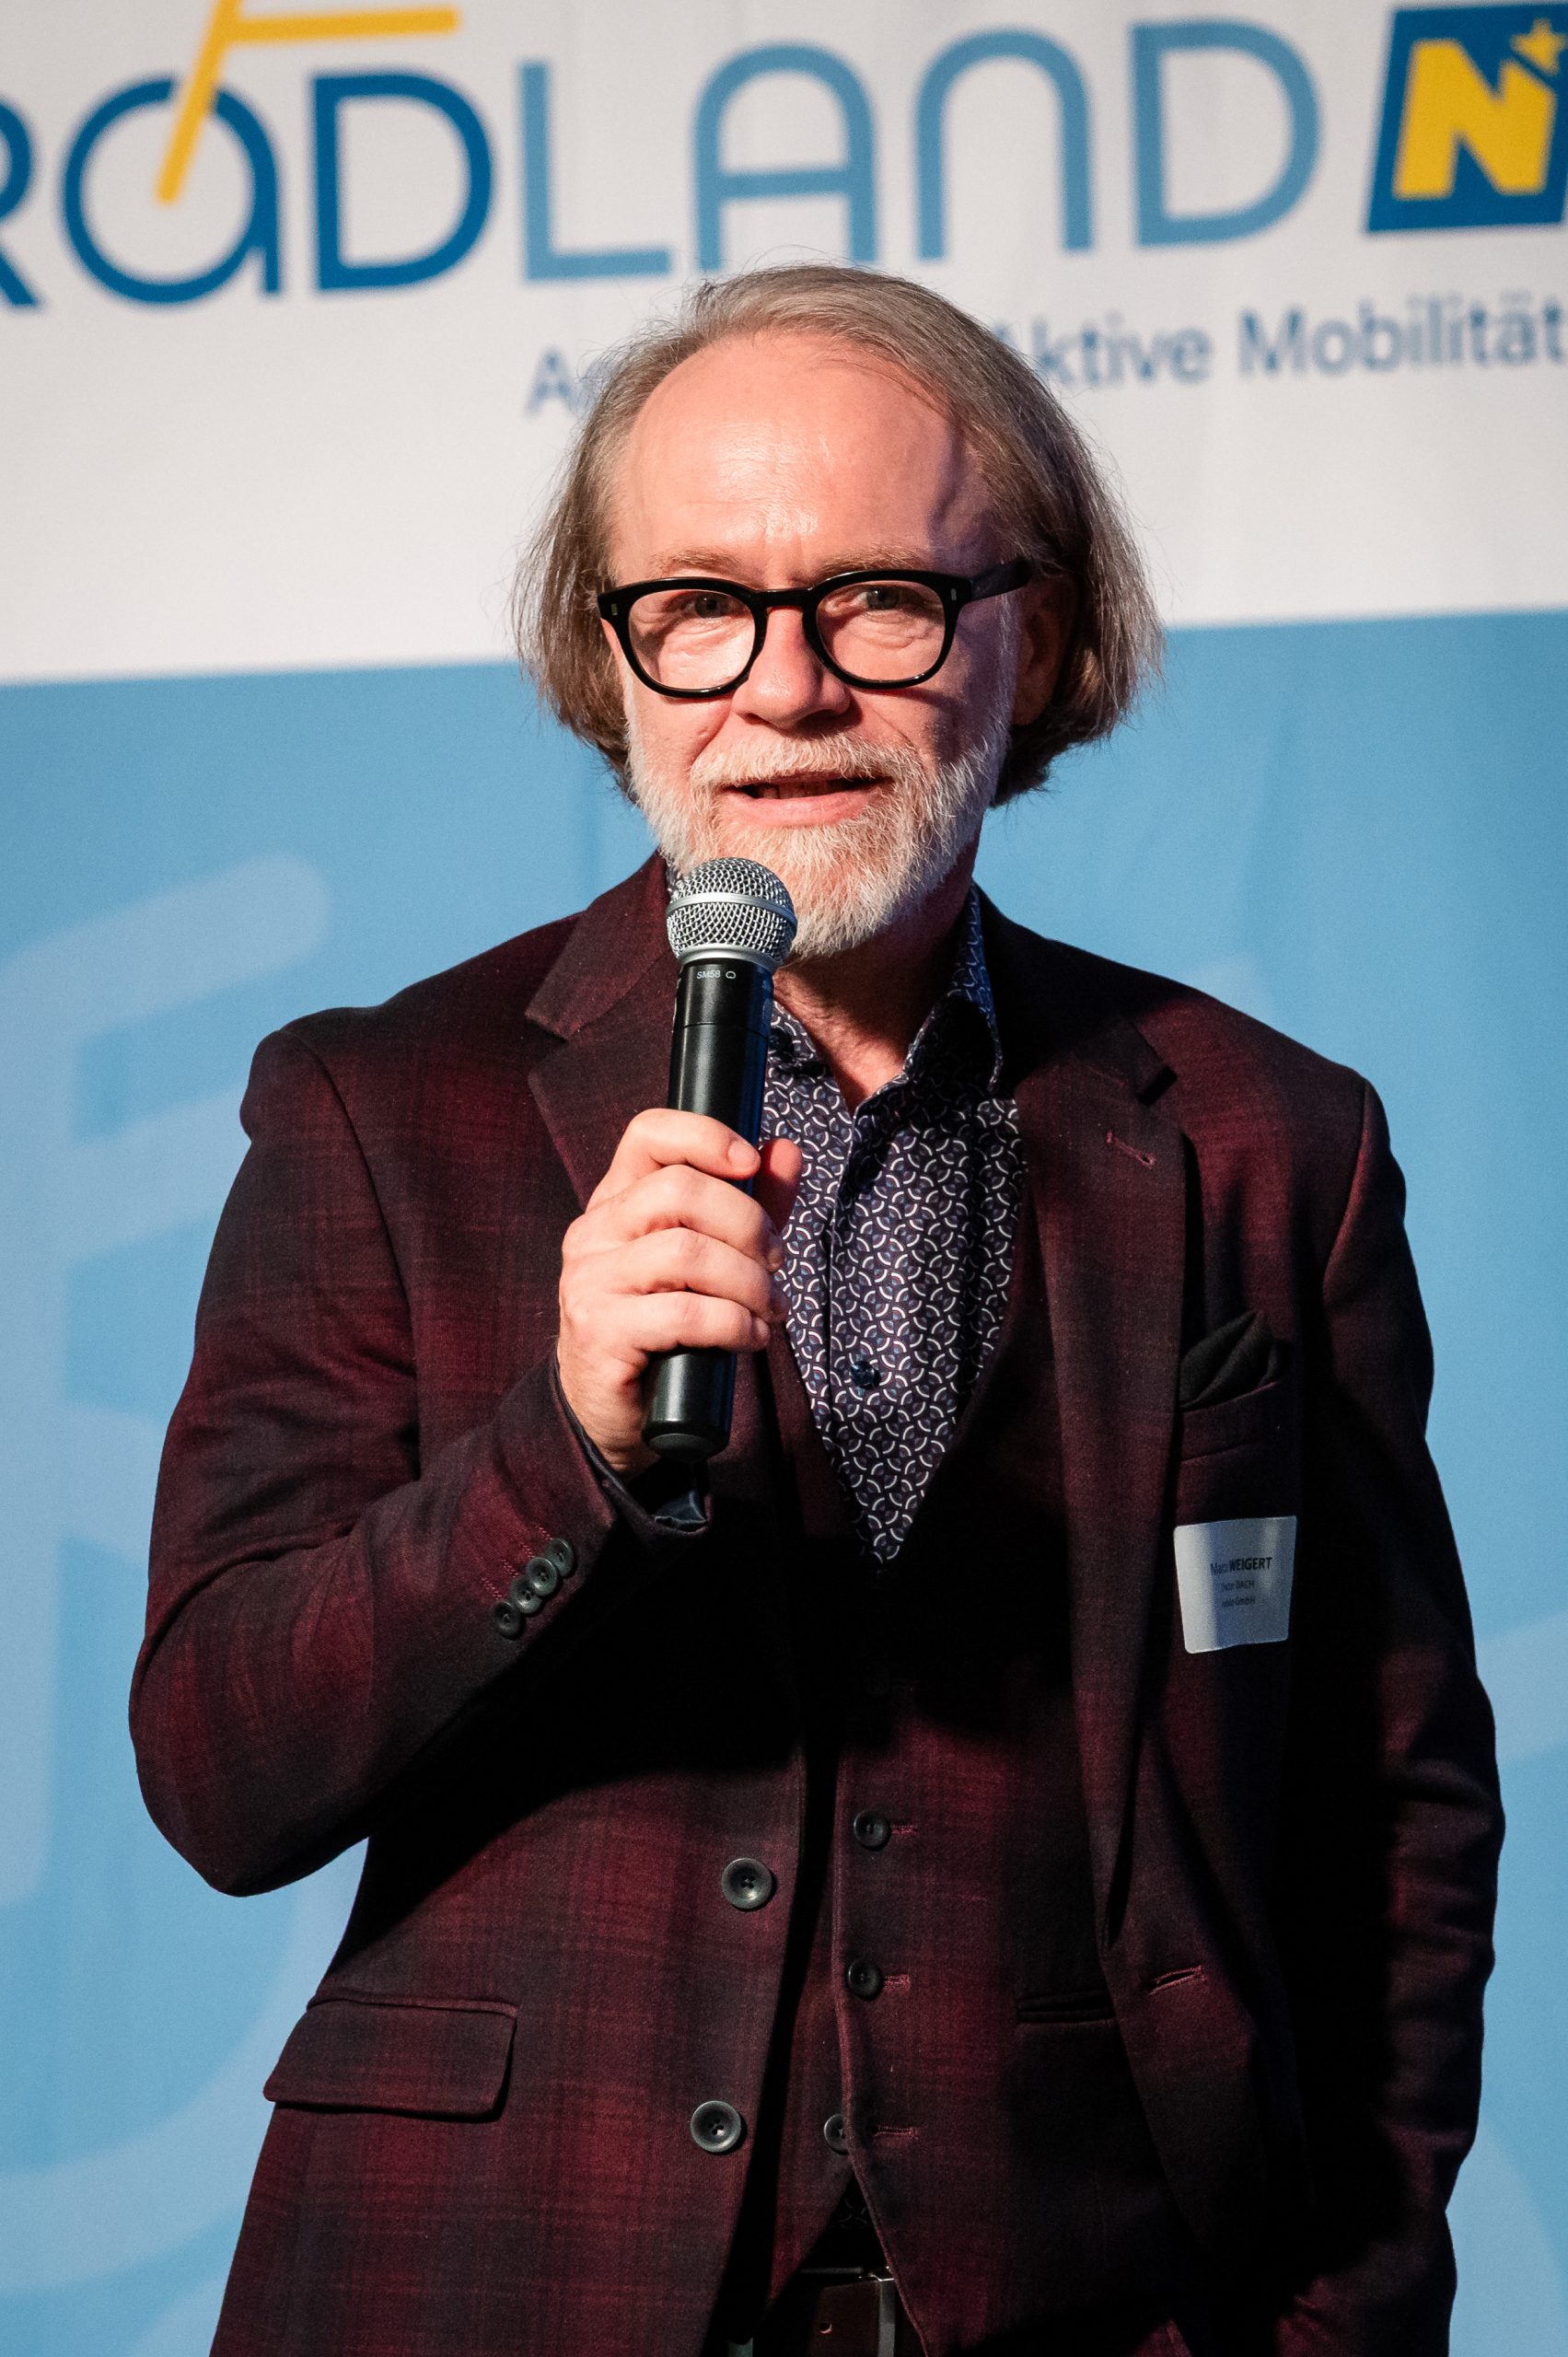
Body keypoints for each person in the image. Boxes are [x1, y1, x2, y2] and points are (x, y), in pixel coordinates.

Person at [132, 264, 1502, 2357]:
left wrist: (1346, 2321)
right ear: (608, 651)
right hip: (489, 2282)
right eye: (697, 605)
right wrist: (559, 1453)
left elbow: (1389, 1809)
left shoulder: (1266, 1138)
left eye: (878, 599)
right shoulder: (381, 1107)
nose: (784, 690)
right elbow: (224, 1769)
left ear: (1037, 633)